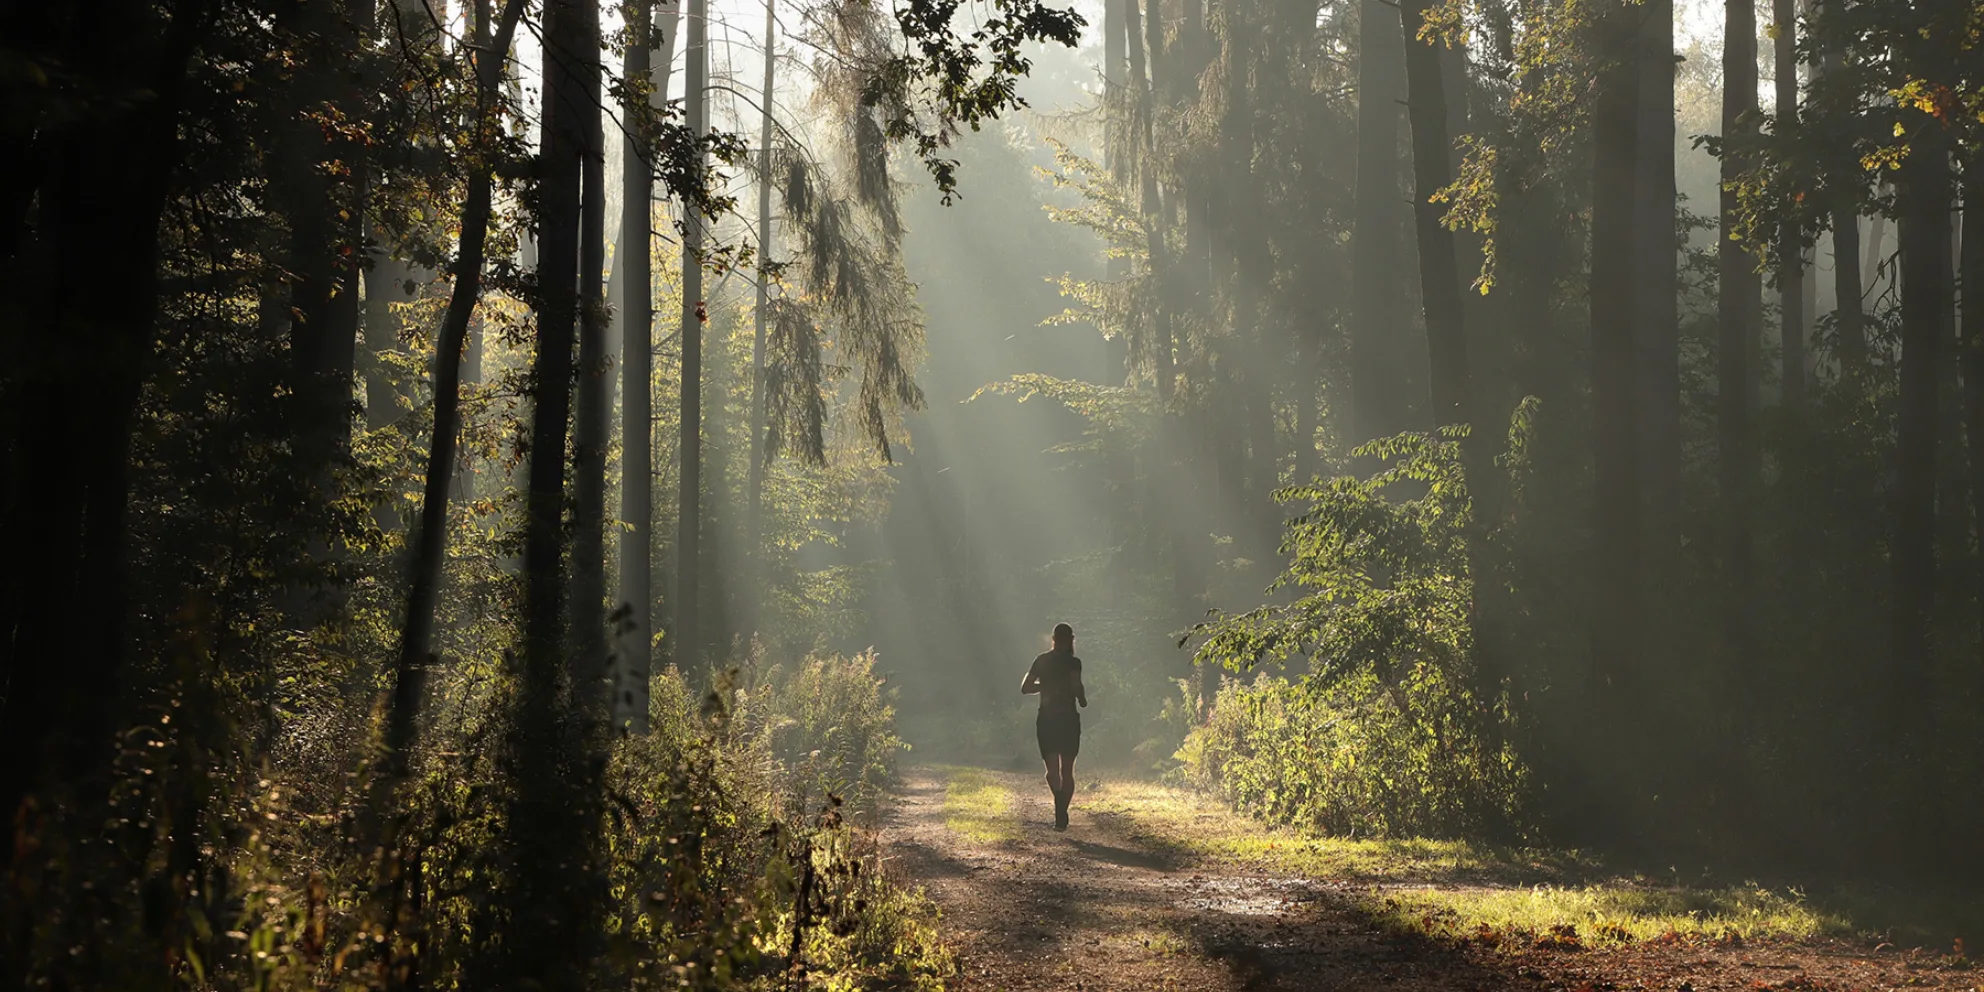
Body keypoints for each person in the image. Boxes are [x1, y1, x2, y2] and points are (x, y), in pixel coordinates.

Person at [1020, 622, 1086, 830]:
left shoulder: (1041, 661)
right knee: (1067, 771)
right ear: (1071, 640)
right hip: (1068, 719)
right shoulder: (1074, 662)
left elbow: (1026, 688)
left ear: (1053, 639)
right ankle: (1061, 811)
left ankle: (1059, 804)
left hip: (1047, 719)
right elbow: (1076, 685)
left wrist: (1045, 685)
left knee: (1051, 772)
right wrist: (1082, 699)